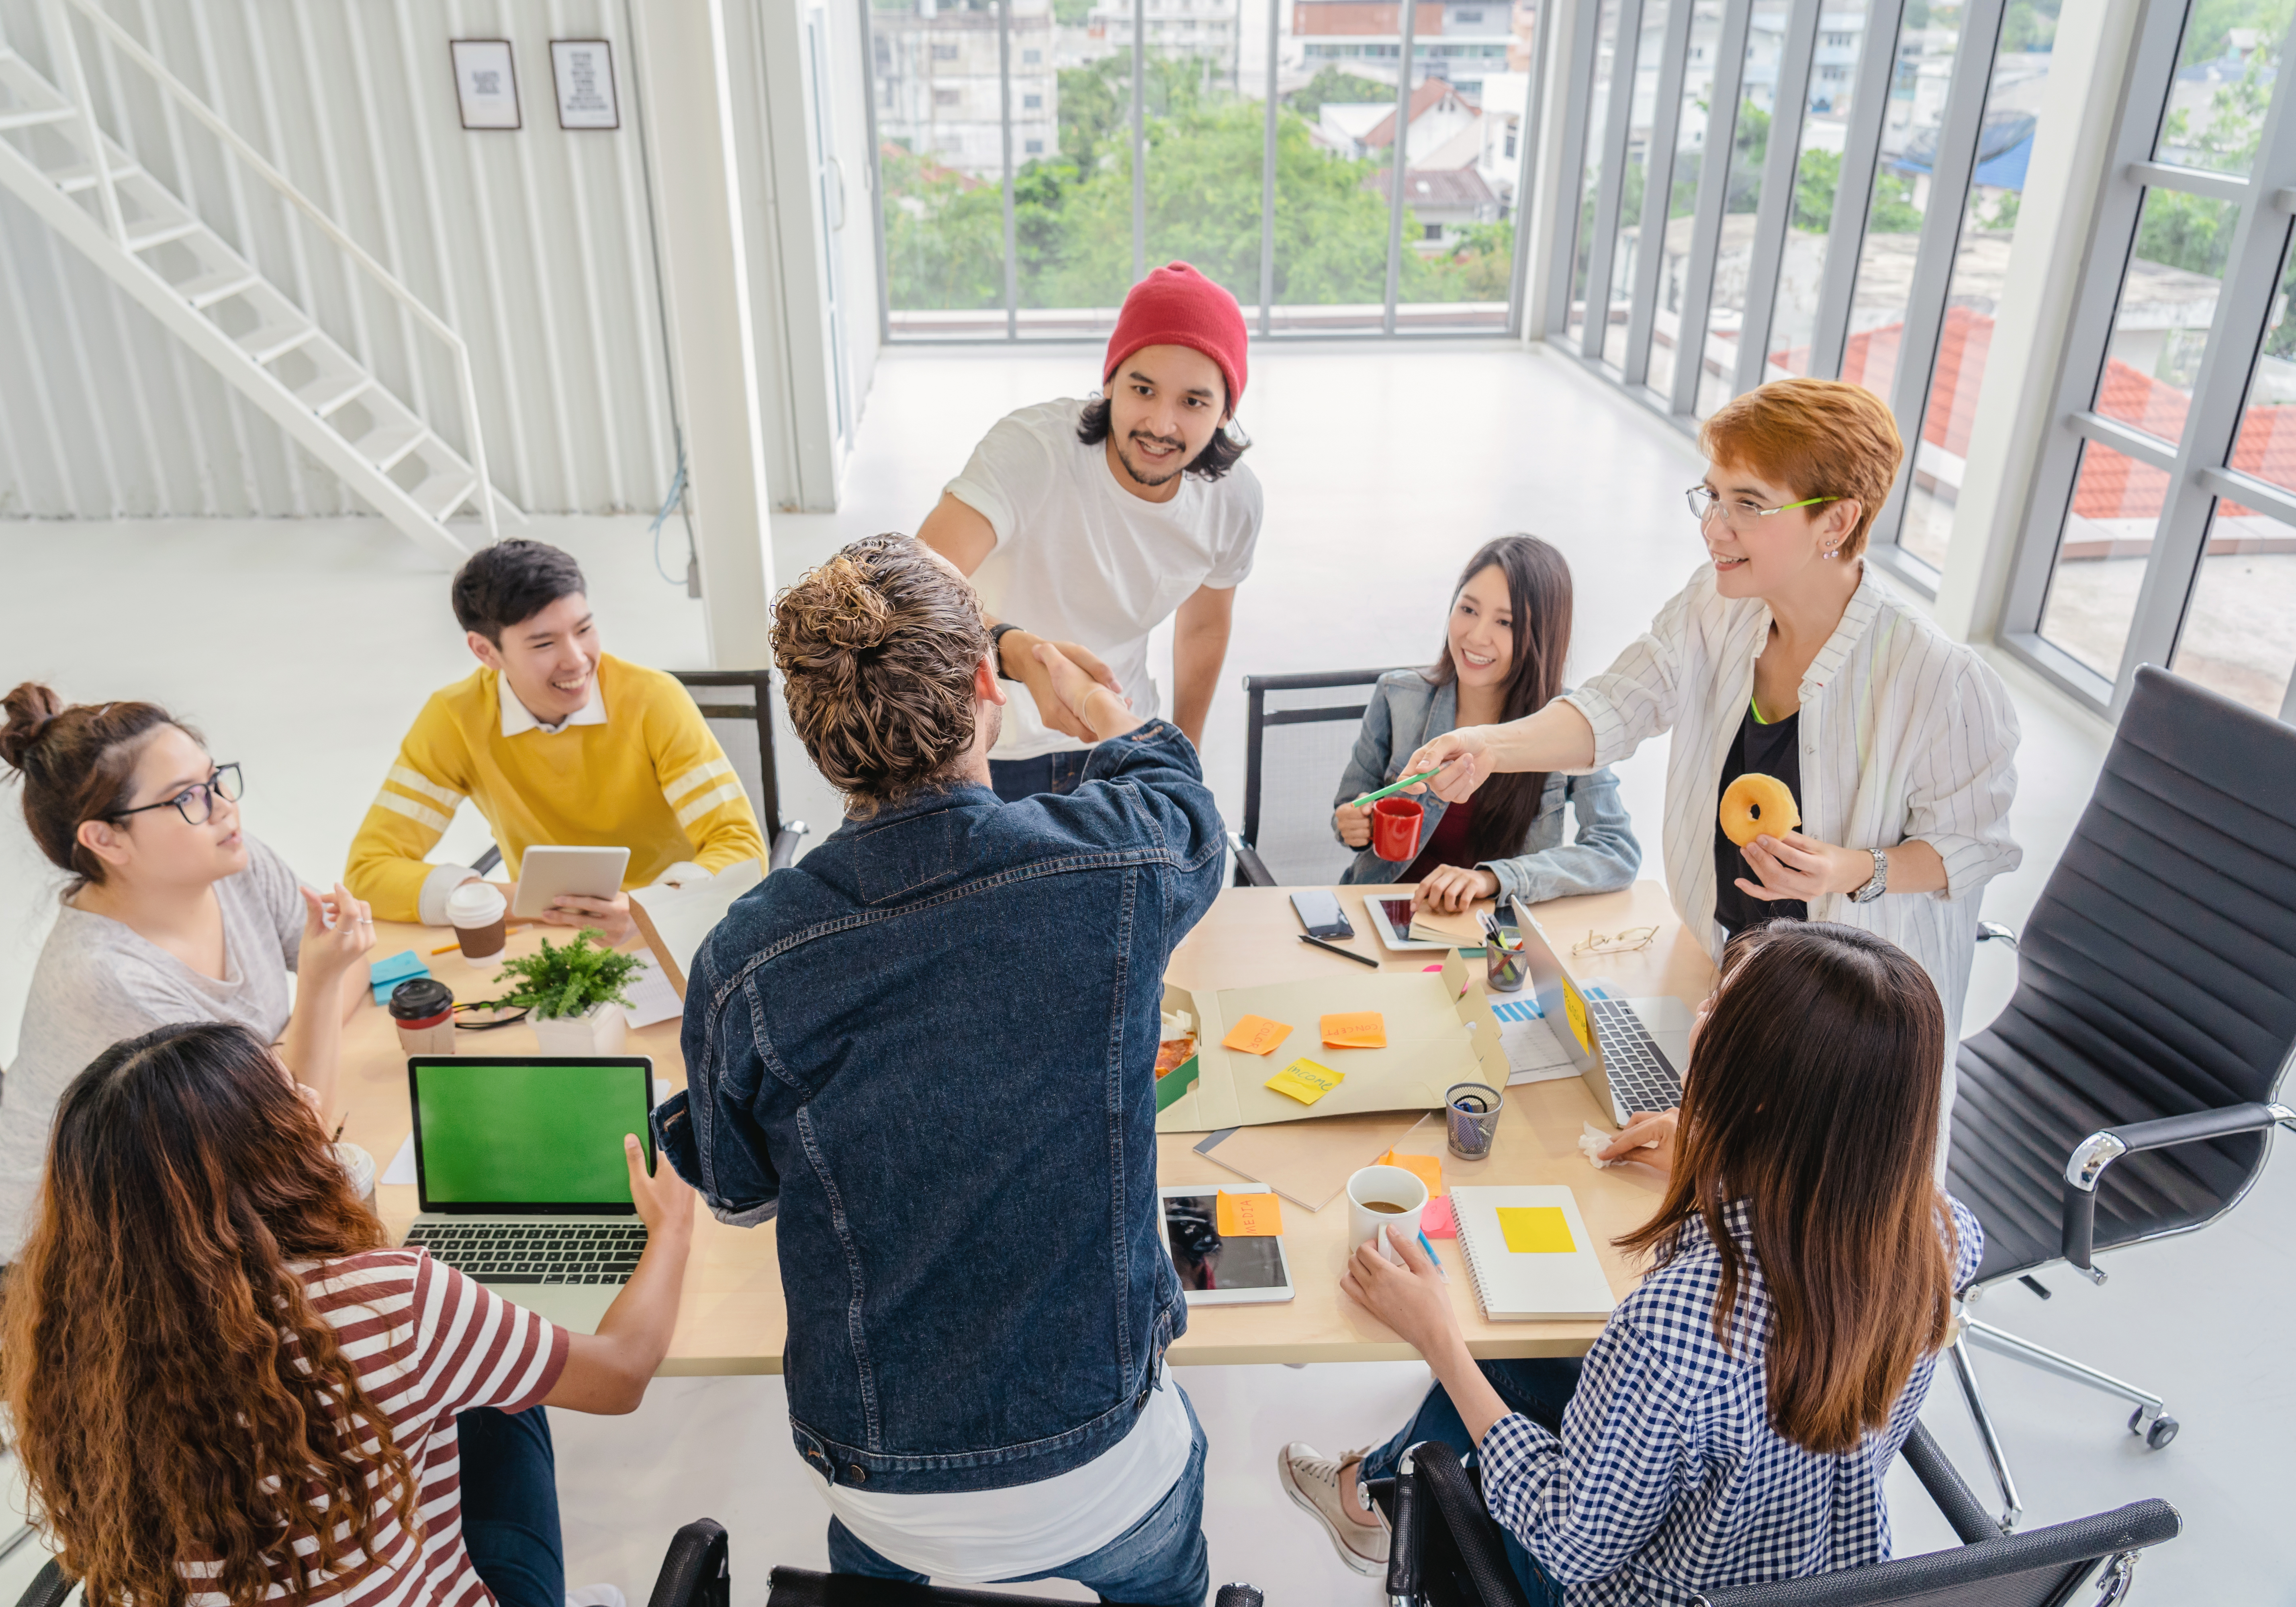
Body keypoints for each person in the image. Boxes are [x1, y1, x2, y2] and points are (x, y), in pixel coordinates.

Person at [656, 533, 1225, 1604]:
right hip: (1104, 1473)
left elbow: (737, 1193)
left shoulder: (746, 955)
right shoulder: (1111, 865)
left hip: (887, 1489)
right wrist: (1085, 699)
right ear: (983, 685)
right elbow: (1188, 807)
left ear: (818, 737)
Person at [1280, 922, 1983, 1603]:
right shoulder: (1945, 1240)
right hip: (1823, 1579)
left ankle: (1365, 1497)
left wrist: (1440, 1343)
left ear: (1766, 1094)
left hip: (1637, 1588)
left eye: (1716, 1007)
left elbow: (1569, 1542)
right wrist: (1722, 1167)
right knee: (1527, 1356)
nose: (1700, 1012)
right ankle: (1364, 1495)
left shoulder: (1675, 1329)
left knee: (1484, 1356)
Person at [1398, 378, 2020, 1112]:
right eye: (1712, 496)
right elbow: (1613, 707)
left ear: (1837, 522)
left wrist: (1853, 868)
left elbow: (1973, 848)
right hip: (1730, 971)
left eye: (1748, 504)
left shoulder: (1940, 680)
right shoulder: (1715, 608)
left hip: (1854, 1037)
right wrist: (1488, 746)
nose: (1714, 528)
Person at [0, 1020, 697, 1607]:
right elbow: (623, 1373)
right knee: (506, 1395)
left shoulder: (67, 1346)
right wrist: (671, 1230)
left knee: (459, 1377)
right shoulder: (389, 1301)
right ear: (265, 1149)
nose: (308, 1092)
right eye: (284, 1093)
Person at [0, 685, 372, 1343]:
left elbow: (356, 973)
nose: (224, 809)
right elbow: (293, 1139)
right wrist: (314, 995)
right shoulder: (109, 979)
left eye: (215, 781)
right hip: (72, 1272)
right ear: (105, 840)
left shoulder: (230, 860)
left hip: (191, 1200)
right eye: (187, 798)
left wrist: (286, 1062)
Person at [918, 260, 1261, 797]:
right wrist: (1022, 657)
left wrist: (1179, 758)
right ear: (1109, 382)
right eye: (1142, 390)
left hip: (1121, 735)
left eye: (1193, 402)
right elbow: (915, 585)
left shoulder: (1233, 500)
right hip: (992, 742)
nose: (1161, 425)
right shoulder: (1033, 448)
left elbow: (1203, 629)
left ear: (1224, 411)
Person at [344, 538, 764, 936]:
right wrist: (504, 902)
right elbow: (368, 872)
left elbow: (742, 849)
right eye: (544, 643)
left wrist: (648, 908)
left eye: (584, 630)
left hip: (668, 924)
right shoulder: (455, 718)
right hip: (543, 935)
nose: (577, 660)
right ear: (485, 652)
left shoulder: (653, 700)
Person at [1333, 535, 1640, 912]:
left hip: (1497, 942)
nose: (1477, 636)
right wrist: (1352, 824)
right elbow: (1351, 805)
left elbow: (1616, 850)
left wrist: (1493, 878)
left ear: (1540, 634)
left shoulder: (1571, 724)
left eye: (1505, 622)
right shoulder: (1397, 696)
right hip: (1387, 913)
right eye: (1468, 610)